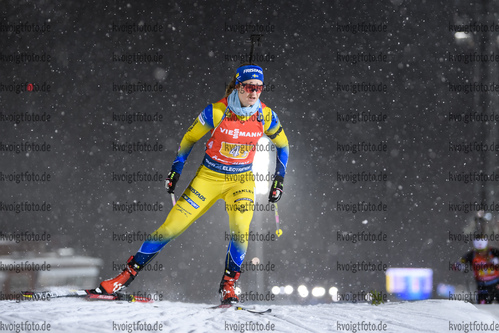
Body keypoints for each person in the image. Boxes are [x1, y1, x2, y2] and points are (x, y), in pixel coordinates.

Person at [94, 63, 289, 304]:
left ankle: (228, 286)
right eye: (249, 87)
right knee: (171, 228)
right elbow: (189, 138)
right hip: (209, 178)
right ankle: (123, 277)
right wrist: (176, 169)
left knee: (241, 230)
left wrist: (278, 179)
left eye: (260, 88)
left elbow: (283, 145)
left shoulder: (266, 116)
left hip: (241, 181)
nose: (255, 93)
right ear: (238, 87)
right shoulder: (216, 112)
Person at [453, 236, 499, 304]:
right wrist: (460, 266)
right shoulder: (471, 255)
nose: (481, 254)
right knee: (482, 308)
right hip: (482, 287)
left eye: (483, 251)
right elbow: (457, 265)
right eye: (479, 252)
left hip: (496, 285)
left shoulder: (494, 252)